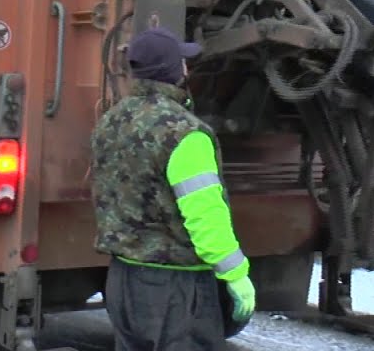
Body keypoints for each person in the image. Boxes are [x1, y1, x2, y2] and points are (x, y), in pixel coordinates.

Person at [90, 25, 256, 350]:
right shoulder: (185, 135)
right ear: (175, 69)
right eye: (183, 60)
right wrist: (235, 274)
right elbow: (205, 216)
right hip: (174, 289)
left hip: (123, 280)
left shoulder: (111, 121)